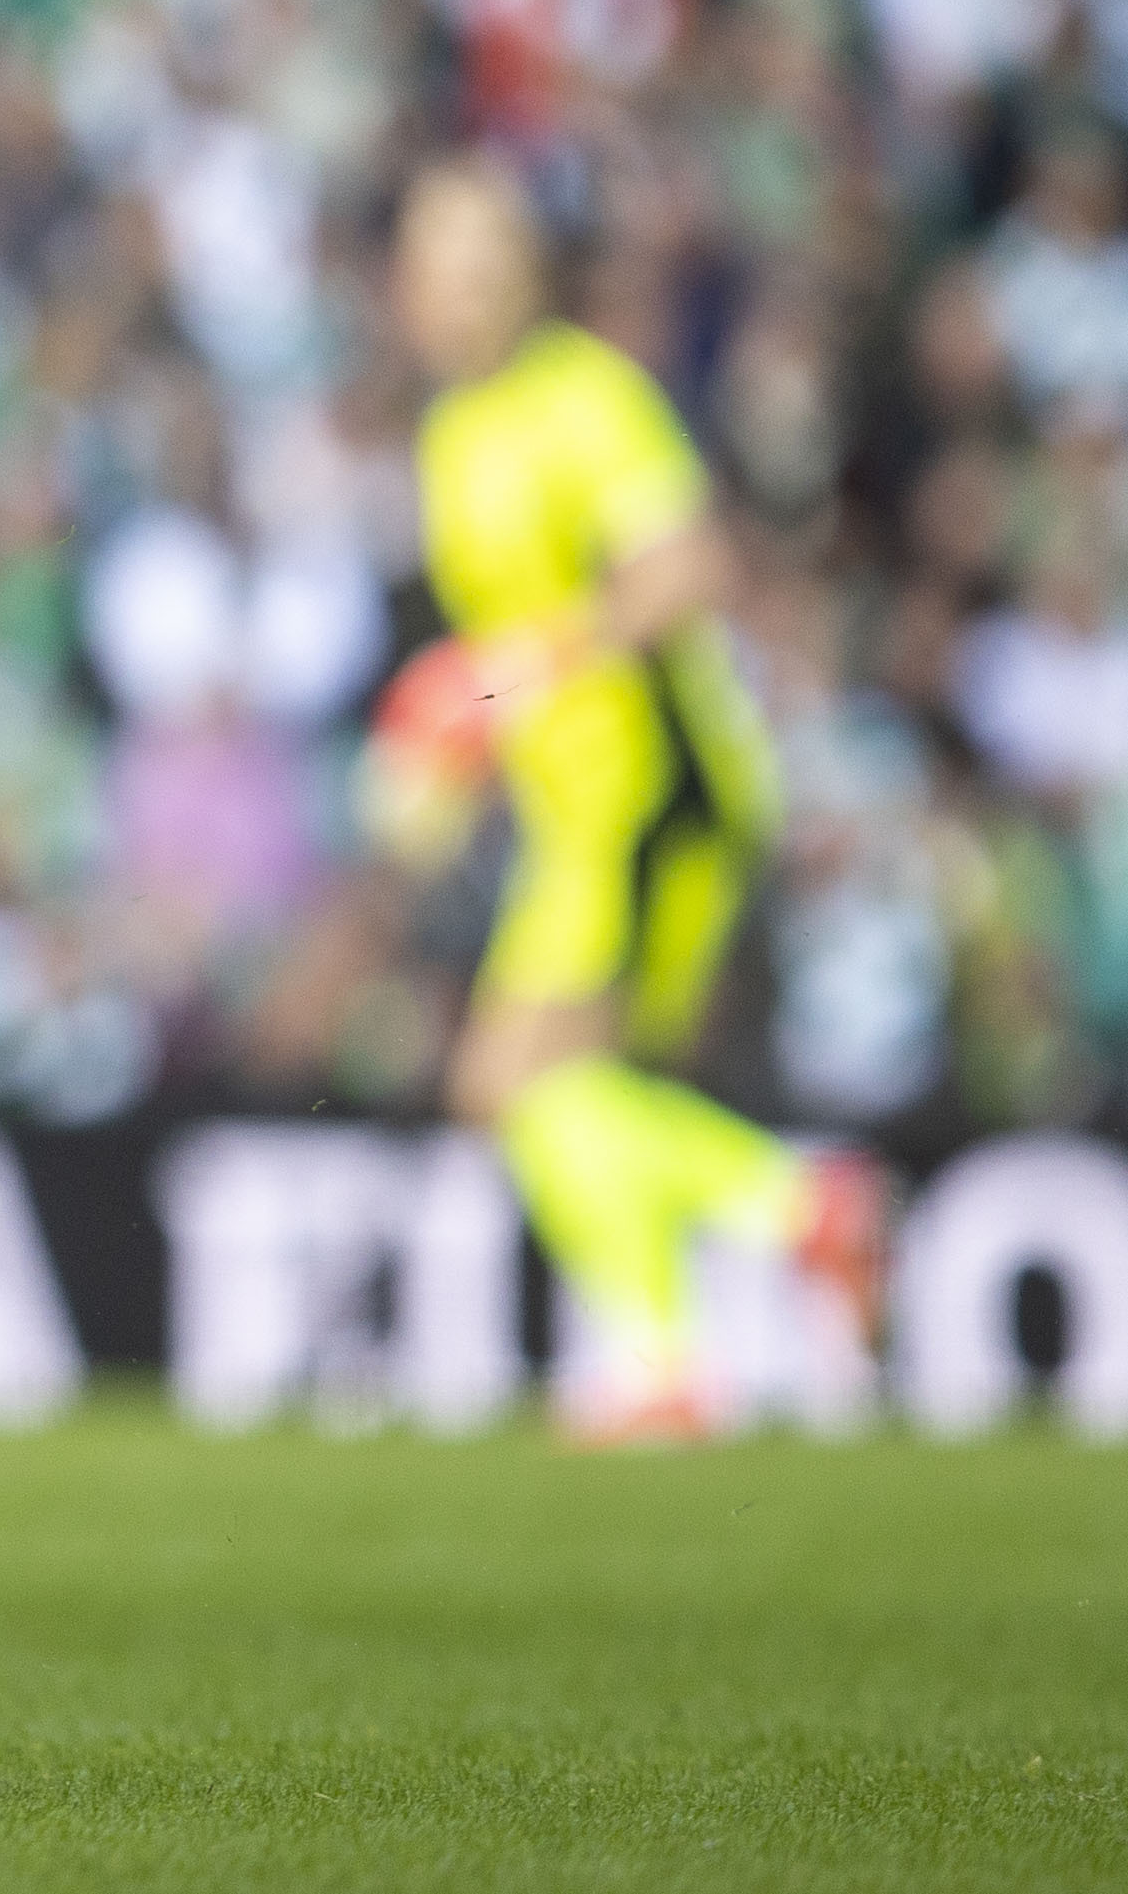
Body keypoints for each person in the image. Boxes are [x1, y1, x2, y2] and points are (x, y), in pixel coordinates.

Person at [392, 157, 885, 1444]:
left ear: (527, 276)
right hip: (576, 805)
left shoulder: (587, 398)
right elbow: (519, 643)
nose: (459, 291)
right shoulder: (453, 432)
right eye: (439, 266)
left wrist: (507, 675)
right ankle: (746, 1270)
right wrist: (464, 735)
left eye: (483, 263)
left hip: (658, 786)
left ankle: (727, 1283)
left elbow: (686, 570)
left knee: (521, 1078)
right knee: (539, 1086)